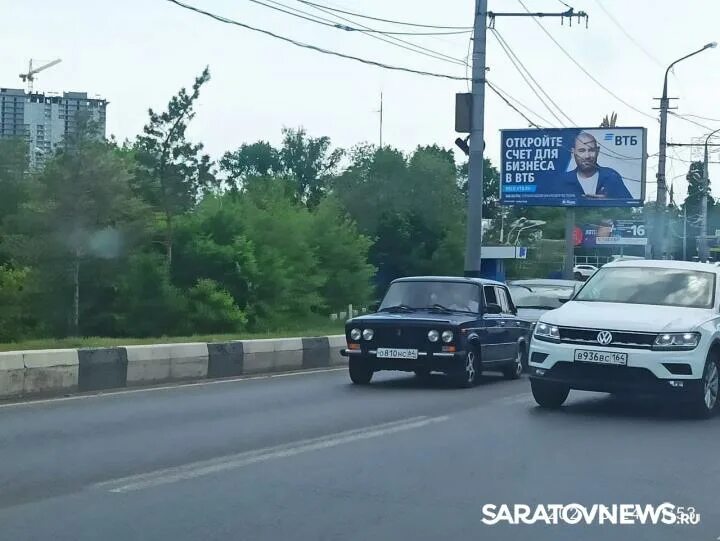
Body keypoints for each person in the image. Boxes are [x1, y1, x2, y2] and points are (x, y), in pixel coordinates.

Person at [564, 132, 632, 199]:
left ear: (598, 151)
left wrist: (606, 202)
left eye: (591, 150)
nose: (587, 156)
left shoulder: (611, 176)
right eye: (582, 151)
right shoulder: (564, 180)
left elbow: (628, 205)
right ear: (573, 153)